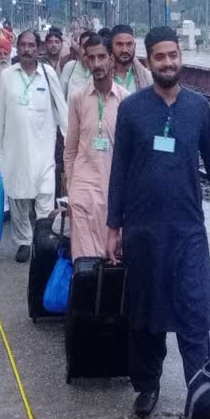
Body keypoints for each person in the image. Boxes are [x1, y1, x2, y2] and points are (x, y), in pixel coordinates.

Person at [106, 26, 210, 419]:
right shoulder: (132, 110)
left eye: (173, 56)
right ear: (150, 60)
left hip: (188, 234)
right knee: (146, 320)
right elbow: (119, 172)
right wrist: (114, 227)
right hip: (143, 233)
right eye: (160, 57)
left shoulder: (198, 107)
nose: (168, 63)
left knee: (193, 317)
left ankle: (198, 394)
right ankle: (148, 386)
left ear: (181, 58)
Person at [0, 30, 68, 262]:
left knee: (45, 197)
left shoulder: (48, 73)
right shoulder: (8, 76)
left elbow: (61, 110)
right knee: (17, 198)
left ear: (38, 48)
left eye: (31, 45)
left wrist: (71, 141)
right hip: (14, 150)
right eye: (23, 45)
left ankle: (41, 242)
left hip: (43, 151)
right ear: (18, 47)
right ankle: (23, 242)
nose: (27, 50)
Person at [64, 34, 130, 259]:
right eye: (91, 58)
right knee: (84, 265)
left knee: (112, 261)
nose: (97, 64)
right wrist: (72, 190)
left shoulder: (126, 101)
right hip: (83, 191)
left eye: (102, 57)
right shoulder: (77, 98)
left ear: (111, 59)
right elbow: (70, 149)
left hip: (113, 193)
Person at [110, 25, 153, 93]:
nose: (124, 50)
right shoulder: (103, 77)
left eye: (129, 44)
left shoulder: (148, 78)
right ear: (111, 46)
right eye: (119, 44)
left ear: (134, 46)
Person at [60, 29, 96, 100]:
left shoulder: (100, 70)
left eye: (90, 46)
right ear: (79, 48)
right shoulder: (70, 67)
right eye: (83, 46)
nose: (86, 50)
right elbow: (60, 97)